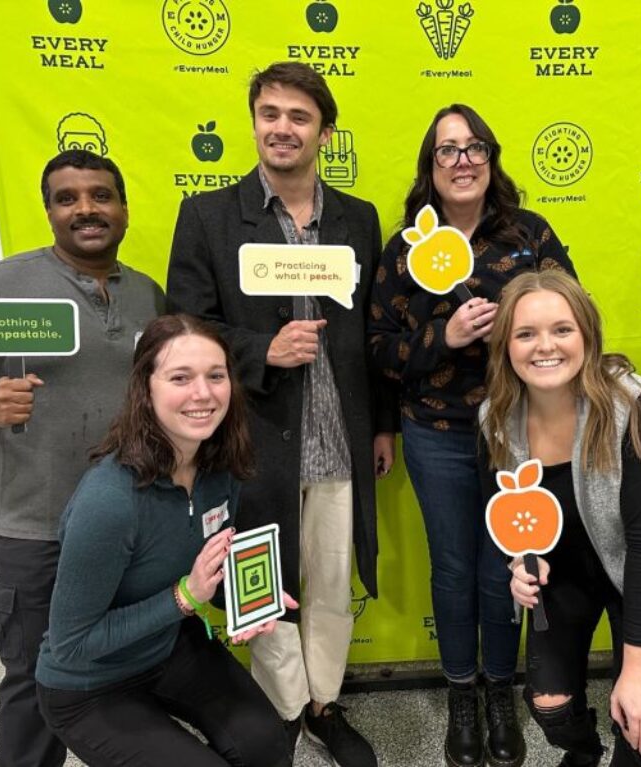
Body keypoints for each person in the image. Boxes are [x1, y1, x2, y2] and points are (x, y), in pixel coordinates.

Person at [0, 149, 164, 767]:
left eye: (100, 195)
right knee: (33, 679)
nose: (86, 209)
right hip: (37, 528)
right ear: (48, 211)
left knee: (129, 668)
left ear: (123, 209)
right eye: (68, 198)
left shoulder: (149, 295)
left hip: (133, 520)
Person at [166, 61, 395, 767]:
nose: (282, 128)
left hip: (338, 435)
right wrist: (265, 348)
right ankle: (279, 712)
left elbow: (376, 332)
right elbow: (187, 325)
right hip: (253, 438)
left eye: (298, 117)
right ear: (255, 120)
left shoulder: (356, 218)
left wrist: (381, 421)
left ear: (324, 131)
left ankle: (323, 704)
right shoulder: (209, 214)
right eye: (270, 113)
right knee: (261, 584)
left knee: (328, 581)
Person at [368, 103, 577, 767]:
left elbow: (572, 315)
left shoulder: (529, 235)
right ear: (430, 167)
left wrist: (527, 328)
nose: (462, 160)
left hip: (518, 433)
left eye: (474, 147)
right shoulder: (404, 249)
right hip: (434, 431)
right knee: (455, 568)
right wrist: (443, 336)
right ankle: (462, 690)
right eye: (447, 150)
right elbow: (375, 349)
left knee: (505, 570)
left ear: (491, 158)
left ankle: (499, 688)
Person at [34, 314, 292, 767]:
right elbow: (72, 643)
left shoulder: (220, 468)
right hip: (90, 685)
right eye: (180, 377)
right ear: (145, 389)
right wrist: (184, 597)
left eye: (216, 376)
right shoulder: (109, 501)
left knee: (267, 747)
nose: (203, 393)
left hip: (168, 646)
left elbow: (207, 567)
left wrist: (249, 601)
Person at [478, 270, 641, 767]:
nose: (545, 347)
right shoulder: (494, 416)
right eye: (525, 334)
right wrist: (517, 563)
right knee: (549, 709)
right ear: (505, 346)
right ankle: (583, 750)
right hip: (564, 577)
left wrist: (640, 671)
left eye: (562, 330)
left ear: (587, 335)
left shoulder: (632, 407)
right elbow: (502, 513)